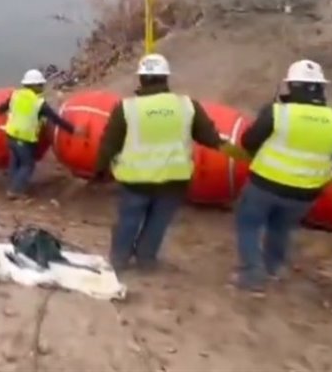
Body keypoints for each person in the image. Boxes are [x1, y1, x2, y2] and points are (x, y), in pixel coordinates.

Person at [94, 53, 247, 272]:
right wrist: (244, 157)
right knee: (157, 224)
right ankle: (146, 261)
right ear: (166, 78)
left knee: (129, 221)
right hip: (174, 181)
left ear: (141, 79)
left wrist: (100, 171)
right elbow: (212, 139)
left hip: (136, 181)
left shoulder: (127, 108)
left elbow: (109, 145)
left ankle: (119, 261)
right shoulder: (187, 106)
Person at [234, 59, 332, 294]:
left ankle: (253, 275)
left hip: (265, 186)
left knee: (248, 224)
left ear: (291, 86)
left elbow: (248, 142)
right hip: (305, 194)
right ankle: (273, 269)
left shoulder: (278, 113)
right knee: (281, 228)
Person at [0, 69, 84, 199]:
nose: (42, 87)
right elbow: (56, 119)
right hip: (24, 139)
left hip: (11, 135)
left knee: (15, 162)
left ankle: (12, 186)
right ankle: (15, 191)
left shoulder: (15, 95)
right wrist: (73, 130)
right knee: (27, 164)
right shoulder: (39, 103)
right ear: (33, 85)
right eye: (40, 85)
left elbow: (1, 109)